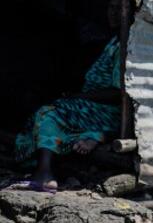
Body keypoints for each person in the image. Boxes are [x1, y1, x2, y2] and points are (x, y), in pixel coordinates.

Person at [13, 34, 122, 192]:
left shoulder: (126, 45)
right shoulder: (115, 40)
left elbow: (117, 93)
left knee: (49, 113)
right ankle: (93, 136)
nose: (112, 12)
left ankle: (45, 174)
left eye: (118, 8)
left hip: (107, 111)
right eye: (111, 7)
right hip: (93, 106)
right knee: (45, 113)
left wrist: (79, 96)